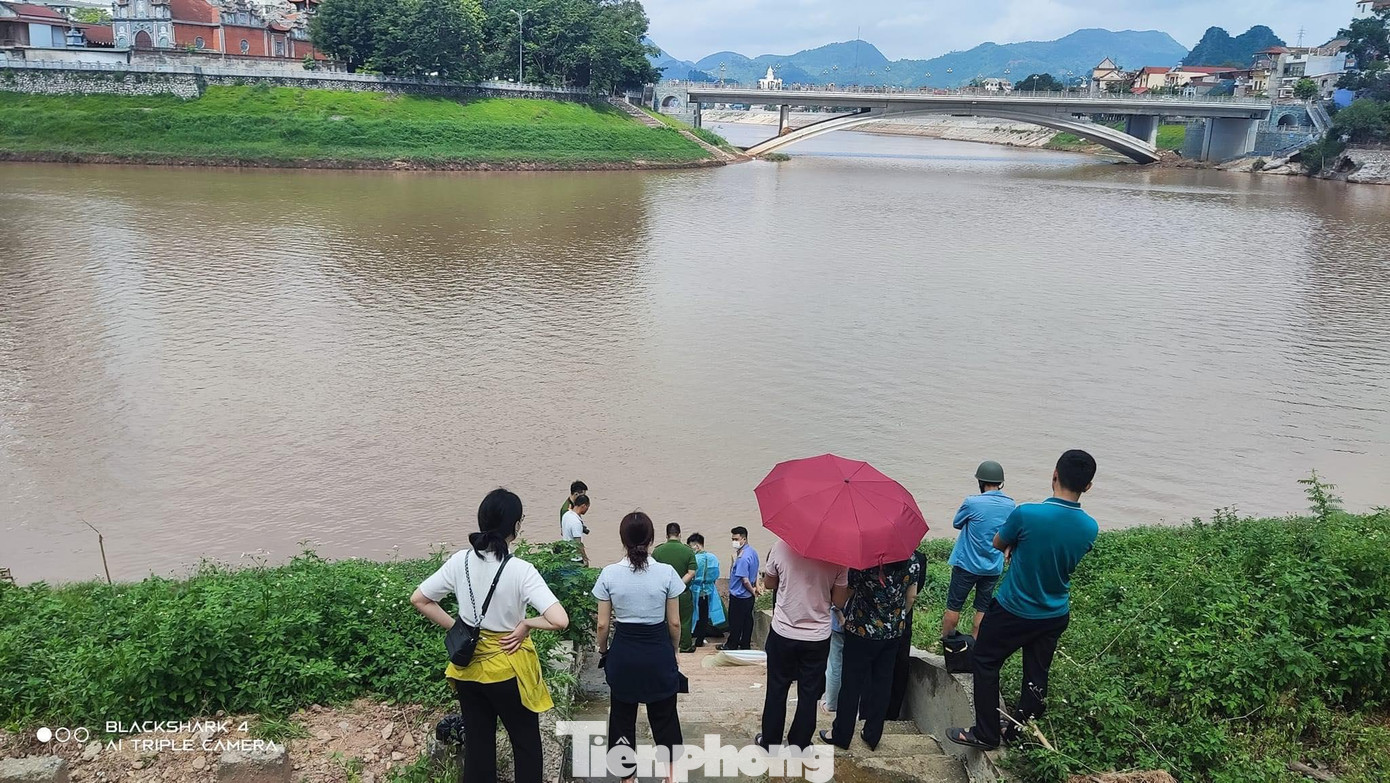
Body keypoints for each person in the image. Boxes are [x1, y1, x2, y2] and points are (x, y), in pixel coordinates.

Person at [410, 489, 570, 783]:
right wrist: (526, 625)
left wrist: (459, 629)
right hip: (508, 668)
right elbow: (560, 619)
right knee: (526, 745)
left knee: (479, 747)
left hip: (467, 668)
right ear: (516, 526)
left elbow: (419, 599)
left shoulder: (460, 561)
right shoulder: (522, 570)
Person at [948, 450, 1099, 751]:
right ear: (1088, 486)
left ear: (1054, 475)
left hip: (1014, 609)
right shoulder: (1089, 527)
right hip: (1055, 612)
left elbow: (997, 543)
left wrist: (1015, 545)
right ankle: (1019, 731)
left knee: (986, 661)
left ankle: (987, 733)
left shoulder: (1027, 513)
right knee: (1036, 674)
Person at [593, 512, 687, 781]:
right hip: (658, 652)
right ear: (651, 539)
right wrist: (675, 651)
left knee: (622, 718)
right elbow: (675, 623)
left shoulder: (609, 574)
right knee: (665, 717)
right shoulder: (666, 573)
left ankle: (628, 778)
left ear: (622, 539)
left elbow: (602, 625)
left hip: (623, 653)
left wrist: (603, 652)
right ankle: (671, 776)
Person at [820, 555, 922, 751]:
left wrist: (839, 611)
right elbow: (911, 596)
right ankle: (872, 734)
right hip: (892, 634)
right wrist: (896, 618)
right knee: (882, 684)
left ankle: (841, 734)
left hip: (861, 631)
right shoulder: (913, 559)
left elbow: (847, 594)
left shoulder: (865, 560)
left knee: (851, 684)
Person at [756, 539, 849, 752]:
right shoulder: (839, 557)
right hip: (817, 637)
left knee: (777, 688)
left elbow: (769, 584)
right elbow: (839, 601)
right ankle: (799, 743)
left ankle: (770, 742)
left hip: (783, 632)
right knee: (809, 692)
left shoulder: (781, 546)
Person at [941, 461, 1017, 641]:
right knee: (982, 608)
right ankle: (975, 650)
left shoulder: (972, 502)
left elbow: (957, 523)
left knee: (954, 607)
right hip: (992, 568)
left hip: (966, 565)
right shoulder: (1010, 505)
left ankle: (947, 646)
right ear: (1001, 483)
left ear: (980, 482)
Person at [887, 547, 928, 720]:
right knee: (899, 667)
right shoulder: (918, 559)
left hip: (871, 625)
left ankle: (868, 715)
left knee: (876, 670)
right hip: (903, 622)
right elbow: (913, 594)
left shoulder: (873, 556)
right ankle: (892, 714)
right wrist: (901, 615)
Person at [653, 523, 698, 654]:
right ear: (679, 534)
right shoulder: (688, 551)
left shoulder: (657, 551)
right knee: (684, 620)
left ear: (666, 535)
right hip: (682, 592)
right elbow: (692, 572)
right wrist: (678, 585)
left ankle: (665, 645)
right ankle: (685, 646)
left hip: (663, 593)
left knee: (664, 620)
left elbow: (653, 572)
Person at [718, 527, 759, 651]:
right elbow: (756, 572)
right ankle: (745, 644)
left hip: (739, 595)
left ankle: (732, 645)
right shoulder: (753, 552)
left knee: (735, 622)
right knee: (747, 621)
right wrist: (755, 588)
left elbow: (744, 580)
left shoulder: (743, 558)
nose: (734, 542)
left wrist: (752, 590)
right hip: (748, 596)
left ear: (744, 539)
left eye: (736, 539)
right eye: (732, 539)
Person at [687, 534, 728, 646]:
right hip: (709, 590)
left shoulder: (694, 558)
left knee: (693, 615)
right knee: (704, 616)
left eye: (691, 547)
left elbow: (691, 574)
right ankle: (700, 639)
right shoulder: (713, 558)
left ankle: (691, 636)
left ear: (696, 545)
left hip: (695, 590)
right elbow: (716, 574)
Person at [819, 603, 844, 714]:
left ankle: (831, 703)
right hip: (864, 627)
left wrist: (838, 613)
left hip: (839, 623)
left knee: (834, 665)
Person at [561, 494, 590, 567]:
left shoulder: (566, 515)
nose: (587, 510)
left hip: (566, 555)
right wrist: (585, 559)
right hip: (575, 559)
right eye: (587, 507)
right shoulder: (576, 522)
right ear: (583, 506)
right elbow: (578, 544)